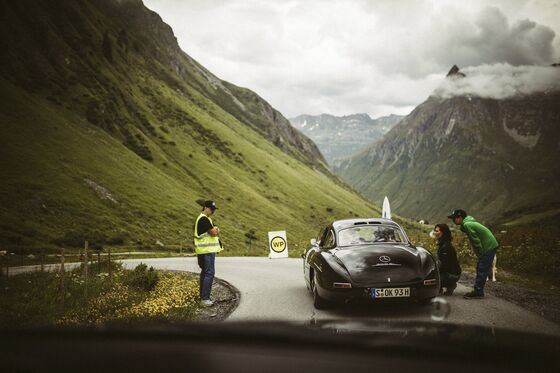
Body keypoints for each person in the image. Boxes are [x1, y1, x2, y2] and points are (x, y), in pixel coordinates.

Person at [448, 209, 498, 299]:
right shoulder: (467, 223)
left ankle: (478, 292)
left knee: (482, 269)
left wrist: (480, 253)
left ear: (459, 217)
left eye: (454, 218)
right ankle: (478, 290)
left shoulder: (467, 224)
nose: (453, 220)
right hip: (489, 245)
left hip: (488, 246)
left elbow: (476, 240)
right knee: (480, 268)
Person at [193, 200, 223, 307]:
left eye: (214, 209)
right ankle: (205, 299)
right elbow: (214, 232)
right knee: (209, 273)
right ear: (205, 207)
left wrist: (215, 229)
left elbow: (215, 230)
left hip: (205, 251)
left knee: (205, 273)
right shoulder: (203, 219)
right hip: (206, 251)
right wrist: (215, 230)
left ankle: (203, 297)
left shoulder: (206, 219)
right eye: (211, 209)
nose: (213, 211)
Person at [433, 224, 461, 295]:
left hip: (451, 274)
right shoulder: (444, 244)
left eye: (436, 231)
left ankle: (449, 284)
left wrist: (433, 272)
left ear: (442, 233)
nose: (434, 232)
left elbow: (444, 265)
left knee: (430, 279)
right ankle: (446, 285)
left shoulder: (445, 247)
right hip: (453, 273)